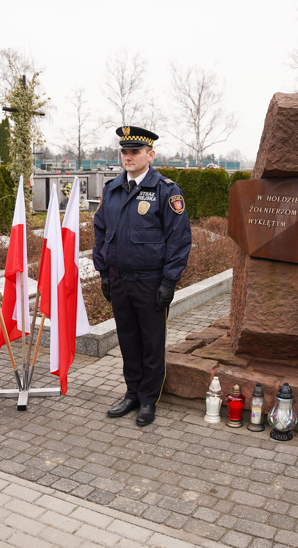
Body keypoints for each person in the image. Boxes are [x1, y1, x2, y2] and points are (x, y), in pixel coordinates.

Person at [93, 126, 192, 427]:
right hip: (121, 280)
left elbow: (179, 240)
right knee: (128, 340)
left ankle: (149, 400)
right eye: (124, 151)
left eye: (135, 151)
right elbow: (101, 232)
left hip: (150, 282)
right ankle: (132, 393)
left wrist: (168, 282)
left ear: (150, 155)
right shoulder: (112, 189)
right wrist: (105, 272)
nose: (128, 156)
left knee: (151, 342)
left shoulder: (166, 190)